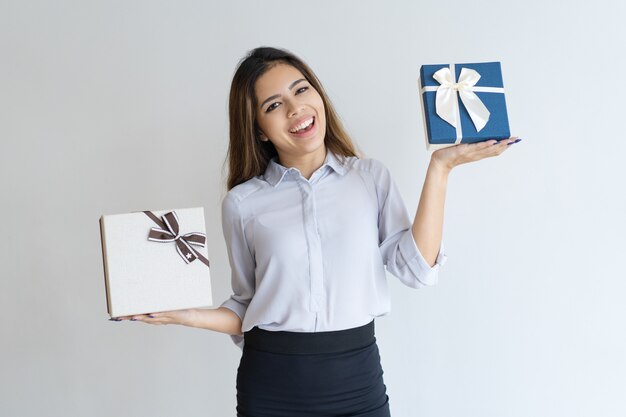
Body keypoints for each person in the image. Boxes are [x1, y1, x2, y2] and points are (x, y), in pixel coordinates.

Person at [116, 46, 521, 416]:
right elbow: (246, 306)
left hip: (357, 382)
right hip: (270, 385)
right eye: (275, 104)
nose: (295, 109)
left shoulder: (370, 178)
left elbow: (417, 271)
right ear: (258, 128)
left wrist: (440, 169)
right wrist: (185, 315)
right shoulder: (242, 204)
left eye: (302, 90)